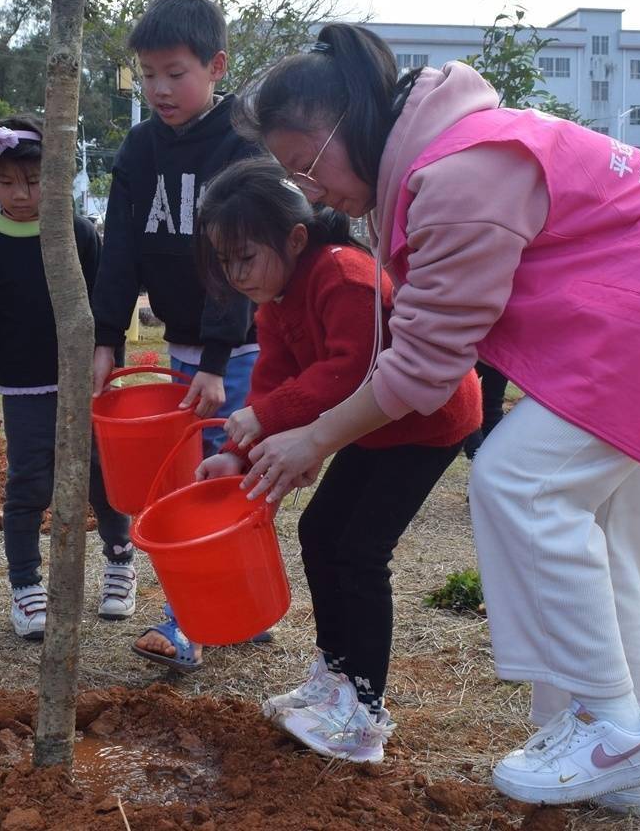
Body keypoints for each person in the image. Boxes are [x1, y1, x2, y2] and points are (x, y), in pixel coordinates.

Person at [235, 24, 640, 814]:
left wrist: (314, 438)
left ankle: (613, 728)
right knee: (604, 530)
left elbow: (424, 370)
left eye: (306, 167)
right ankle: (616, 766)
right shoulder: (448, 154)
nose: (310, 192)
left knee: (520, 479)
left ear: (349, 122)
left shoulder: (457, 175)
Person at [191, 159, 480, 763]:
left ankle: (366, 712)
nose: (235, 273)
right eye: (224, 260)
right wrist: (235, 454)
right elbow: (275, 374)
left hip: (426, 423)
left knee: (359, 551)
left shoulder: (344, 277)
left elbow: (353, 368)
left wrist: (268, 418)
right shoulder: (277, 295)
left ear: (294, 238)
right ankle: (335, 678)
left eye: (245, 256)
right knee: (319, 530)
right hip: (366, 428)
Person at [88, 0, 260, 671]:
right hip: (181, 348)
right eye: (148, 74)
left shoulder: (241, 144)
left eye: (176, 73)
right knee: (184, 482)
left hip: (239, 348)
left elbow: (240, 262)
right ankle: (223, 609)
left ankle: (190, 620)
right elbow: (121, 248)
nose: (159, 88)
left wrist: (218, 360)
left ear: (216, 66)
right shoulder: (139, 149)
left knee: (220, 481)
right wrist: (108, 337)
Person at [0, 117, 136, 641]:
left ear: (54, 179)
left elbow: (106, 307)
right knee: (28, 483)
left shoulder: (79, 233)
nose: (20, 193)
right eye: (7, 183)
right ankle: (25, 584)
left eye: (33, 182)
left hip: (87, 384)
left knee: (106, 478)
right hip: (23, 389)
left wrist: (112, 368)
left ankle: (121, 561)